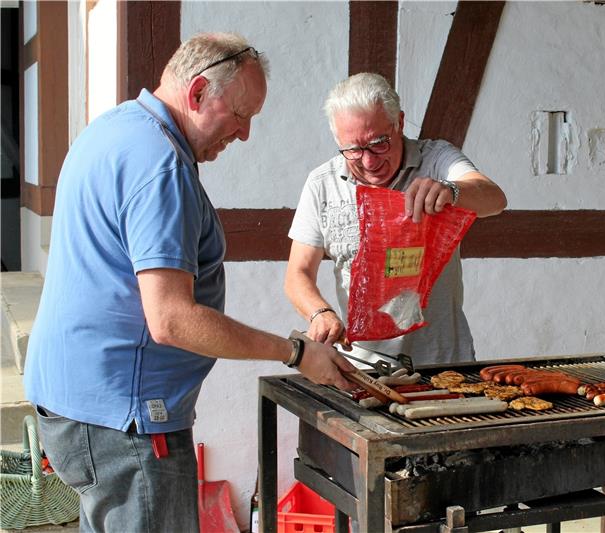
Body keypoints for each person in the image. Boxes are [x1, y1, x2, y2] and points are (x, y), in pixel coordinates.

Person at [23, 32, 355, 533]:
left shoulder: (115, 127)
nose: (244, 134)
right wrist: (295, 352)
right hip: (126, 421)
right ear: (197, 92)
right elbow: (172, 319)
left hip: (78, 404)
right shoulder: (160, 164)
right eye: (240, 115)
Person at [285, 72, 507, 367]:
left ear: (399, 122)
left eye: (379, 143)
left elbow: (494, 198)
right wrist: (319, 313)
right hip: (363, 365)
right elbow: (297, 273)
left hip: (443, 362)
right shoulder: (322, 184)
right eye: (353, 150)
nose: (369, 161)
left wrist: (451, 190)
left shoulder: (436, 160)